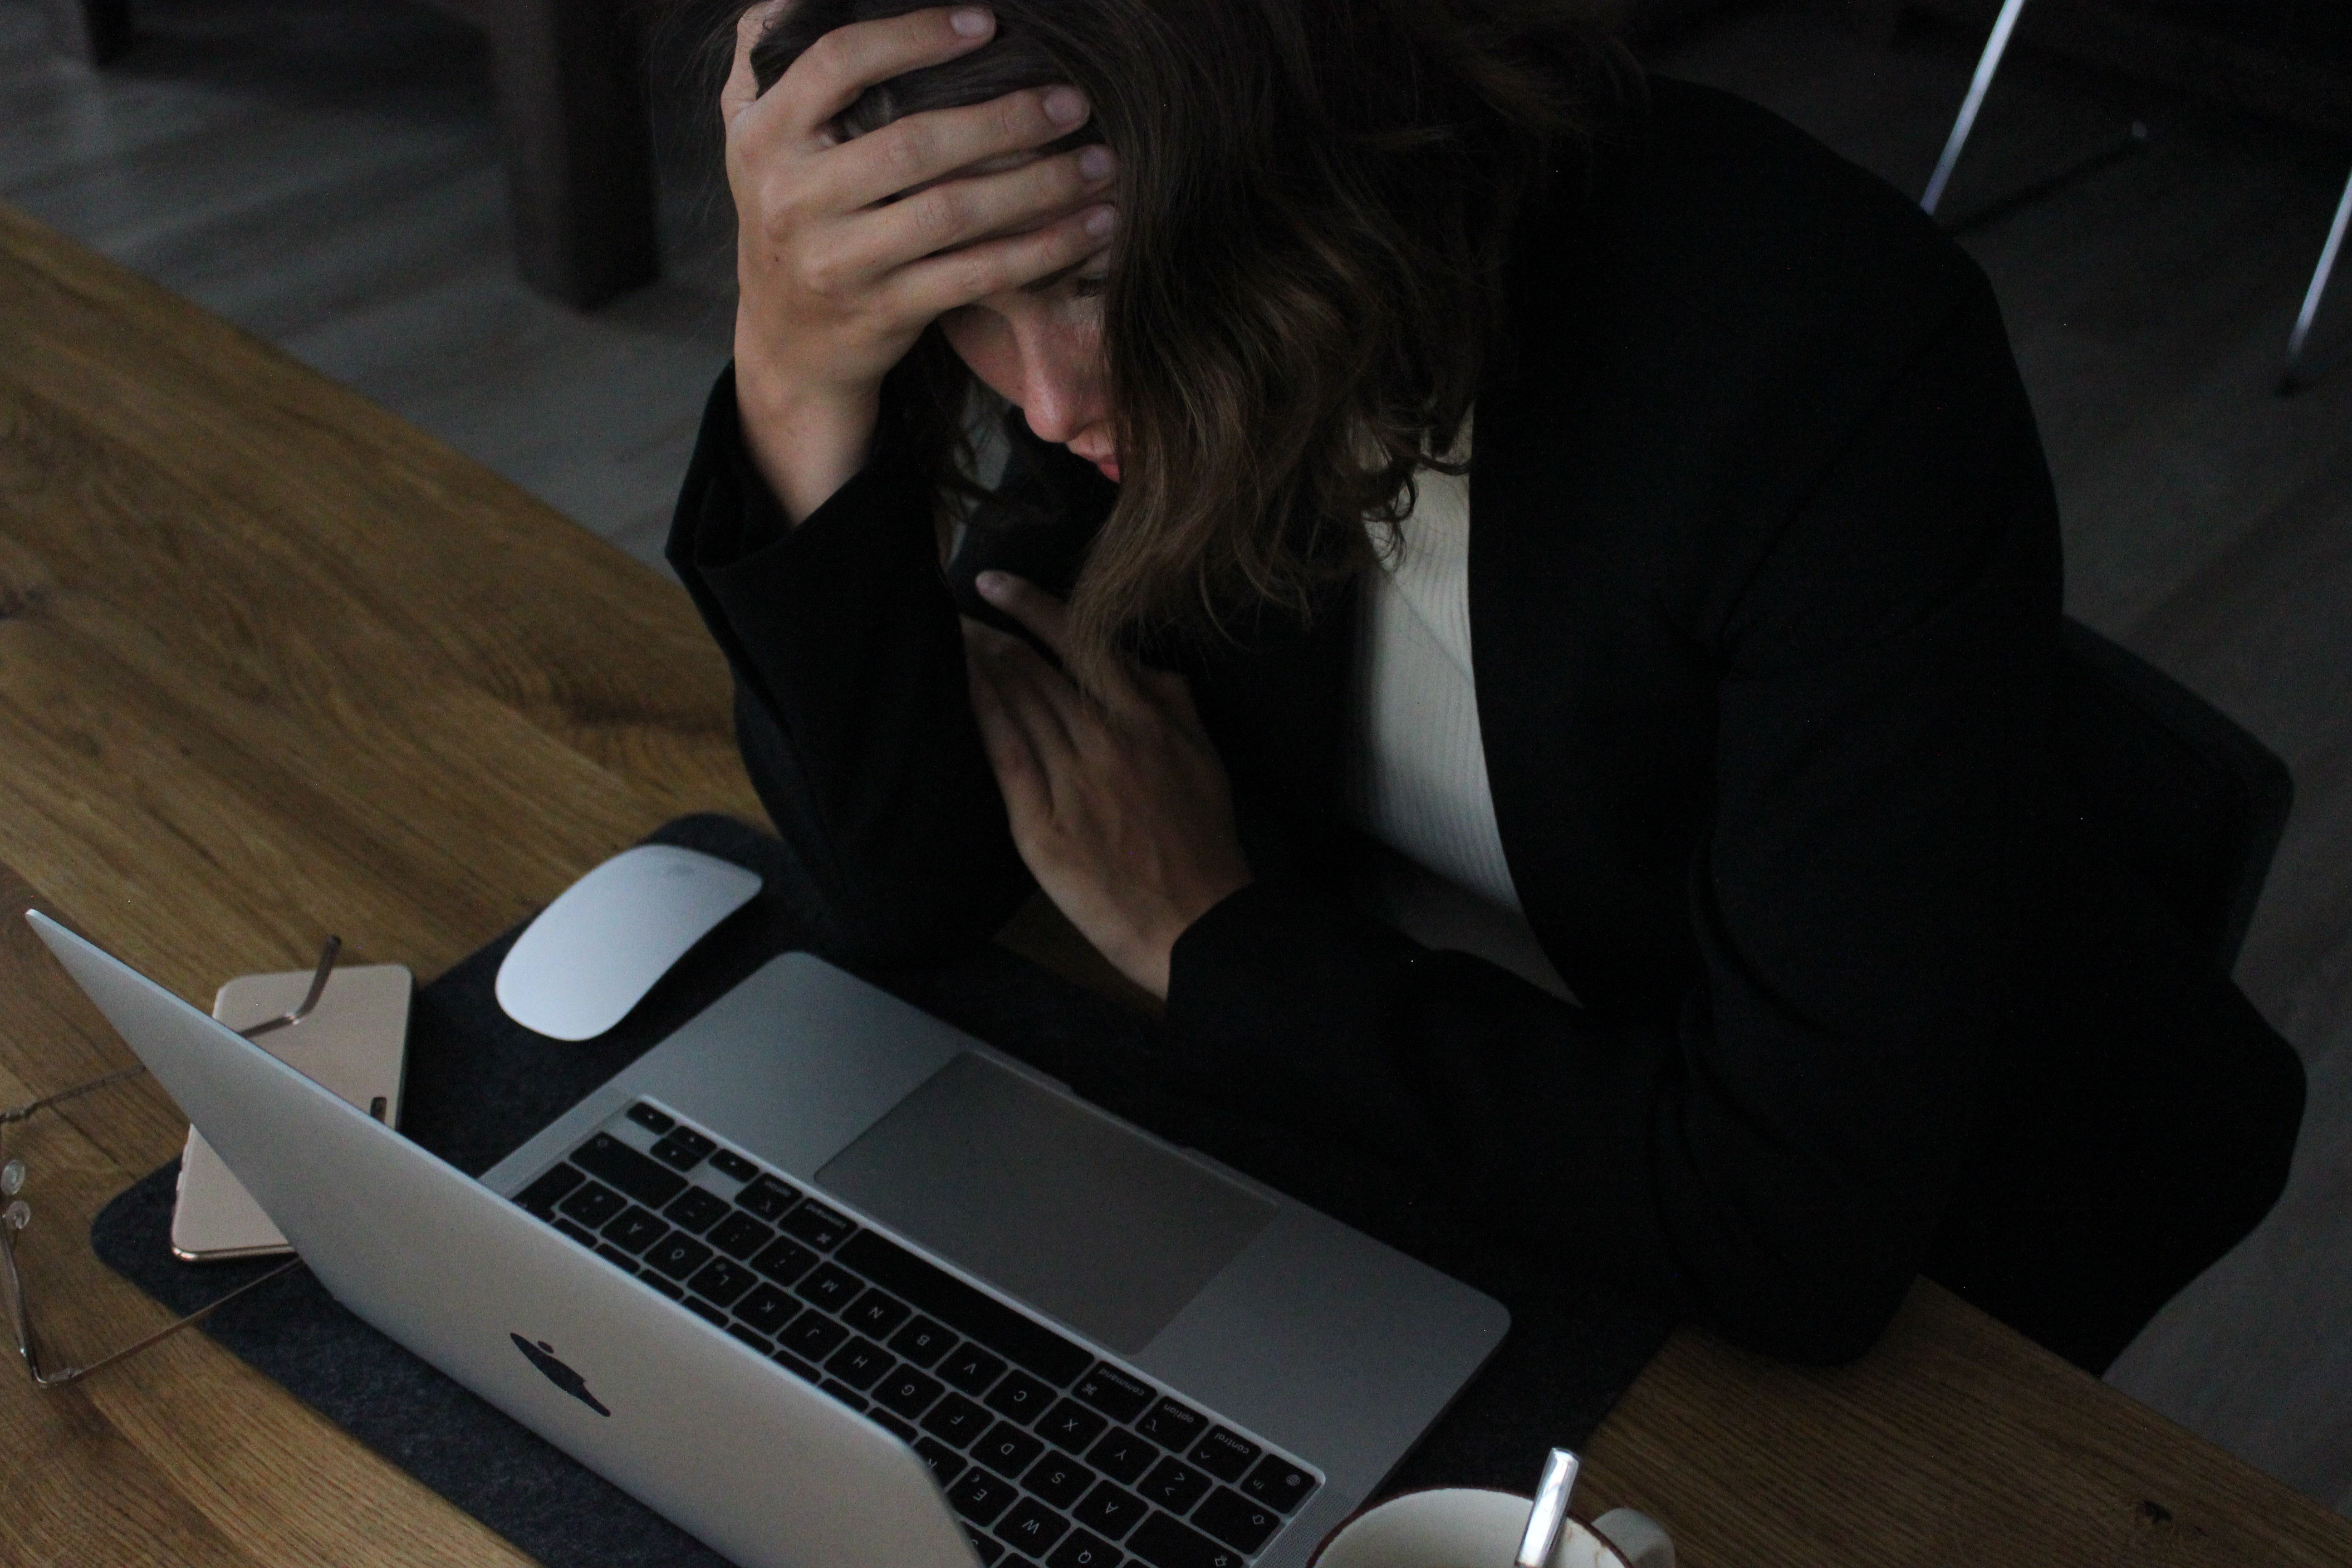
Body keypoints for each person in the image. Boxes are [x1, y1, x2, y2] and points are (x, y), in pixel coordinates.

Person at [668, 0, 2306, 1373]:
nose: (1044, 403)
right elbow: (908, 877)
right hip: (1444, 1155)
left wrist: (1208, 937)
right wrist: (795, 368)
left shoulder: (1820, 359)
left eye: (1092, 292)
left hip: (1912, 1282)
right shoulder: (1131, 311)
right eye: (959, 315)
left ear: (1285, 152)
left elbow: (1791, 1236)